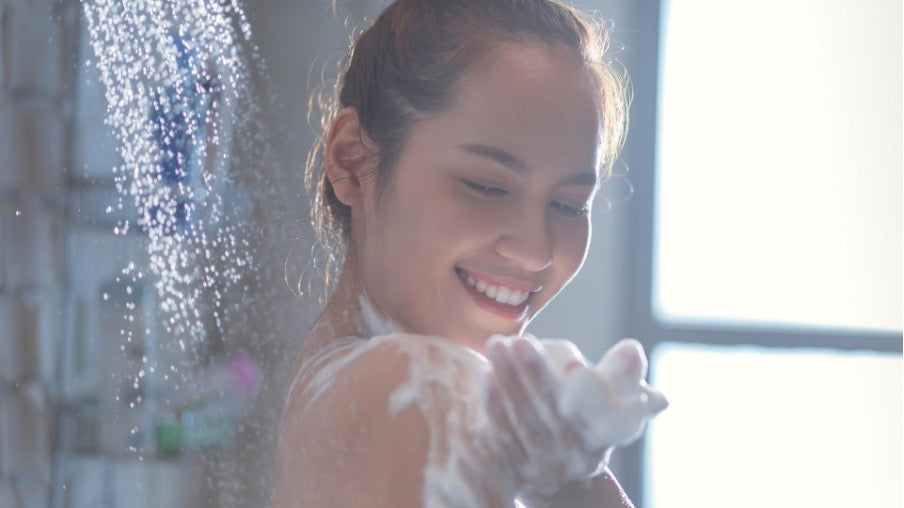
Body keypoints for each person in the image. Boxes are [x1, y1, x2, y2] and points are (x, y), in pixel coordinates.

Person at [273, 1, 660, 506]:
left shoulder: (327, 387)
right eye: (487, 186)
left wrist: (575, 481)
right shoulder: (428, 388)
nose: (536, 252)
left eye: (568, 205)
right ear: (351, 161)